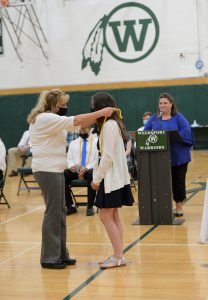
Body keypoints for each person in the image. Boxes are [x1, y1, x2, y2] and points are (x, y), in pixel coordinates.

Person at [27, 88, 116, 270]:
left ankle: (60, 254)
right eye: (63, 104)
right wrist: (101, 112)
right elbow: (76, 120)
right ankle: (49, 257)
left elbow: (79, 124)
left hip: (56, 169)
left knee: (59, 212)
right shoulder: (45, 118)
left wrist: (97, 117)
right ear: (54, 104)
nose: (66, 107)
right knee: (53, 212)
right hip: (47, 170)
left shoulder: (54, 120)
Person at [91, 92, 134, 269]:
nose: (92, 109)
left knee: (105, 215)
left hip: (111, 178)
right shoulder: (112, 124)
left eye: (94, 105)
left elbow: (107, 156)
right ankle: (119, 255)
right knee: (113, 215)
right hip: (117, 177)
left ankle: (118, 257)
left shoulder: (109, 125)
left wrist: (97, 178)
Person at [144, 93, 194, 217]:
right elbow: (145, 133)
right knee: (161, 183)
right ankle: (163, 207)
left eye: (165, 103)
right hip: (159, 157)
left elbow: (187, 131)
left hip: (178, 157)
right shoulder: (154, 118)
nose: (163, 105)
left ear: (171, 104)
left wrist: (172, 136)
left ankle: (179, 206)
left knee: (178, 182)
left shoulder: (178, 117)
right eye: (161, 103)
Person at [64, 126, 98, 216]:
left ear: (89, 129)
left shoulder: (96, 142)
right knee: (63, 175)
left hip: (89, 169)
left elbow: (97, 159)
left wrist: (87, 168)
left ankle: (90, 206)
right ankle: (70, 206)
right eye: (80, 131)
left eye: (84, 130)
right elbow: (69, 158)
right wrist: (71, 167)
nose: (82, 132)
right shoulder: (73, 143)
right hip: (76, 169)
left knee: (92, 174)